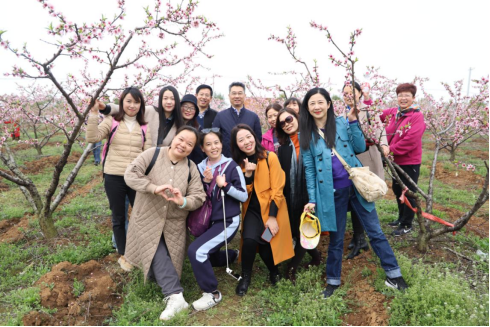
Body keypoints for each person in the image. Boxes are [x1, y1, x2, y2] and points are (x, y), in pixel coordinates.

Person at [300, 88, 408, 299]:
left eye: (320, 102)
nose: (316, 107)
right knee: (337, 238)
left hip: (356, 186)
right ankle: (332, 281)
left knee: (375, 231)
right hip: (331, 193)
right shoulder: (306, 134)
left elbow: (359, 147)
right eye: (312, 103)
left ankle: (394, 275)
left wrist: (352, 122)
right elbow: (310, 170)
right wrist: (312, 199)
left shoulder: (340, 123)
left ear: (329, 104)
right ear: (307, 107)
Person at [124, 126, 206, 321]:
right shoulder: (152, 154)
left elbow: (198, 196)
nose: (183, 145)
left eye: (189, 144)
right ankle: (176, 296)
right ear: (173, 138)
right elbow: (130, 174)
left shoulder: (190, 168)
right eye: (181, 139)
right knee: (155, 251)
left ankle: (169, 289)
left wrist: (182, 201)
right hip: (147, 217)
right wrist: (153, 188)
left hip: (173, 223)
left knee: (158, 263)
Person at [86, 87, 152, 272]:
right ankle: (125, 254)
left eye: (136, 102)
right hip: (114, 175)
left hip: (136, 178)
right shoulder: (112, 121)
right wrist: (93, 114)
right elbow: (92, 137)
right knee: (118, 217)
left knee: (141, 215)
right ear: (122, 102)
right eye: (128, 101)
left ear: (141, 105)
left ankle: (141, 250)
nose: (132, 105)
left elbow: (148, 155)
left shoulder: (145, 126)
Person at [188, 129, 248, 311]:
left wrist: (225, 185)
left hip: (227, 221)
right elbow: (198, 195)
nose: (213, 147)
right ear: (202, 148)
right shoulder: (198, 168)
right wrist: (206, 182)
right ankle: (232, 255)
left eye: (216, 143)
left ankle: (212, 293)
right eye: (208, 144)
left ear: (222, 144)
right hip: (206, 221)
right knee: (208, 256)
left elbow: (243, 196)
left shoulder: (231, 167)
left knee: (196, 251)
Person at [231, 124, 294, 296]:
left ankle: (274, 271)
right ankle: (246, 277)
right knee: (250, 240)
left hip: (271, 210)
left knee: (266, 241)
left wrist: (272, 217)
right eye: (241, 140)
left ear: (254, 137)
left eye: (248, 137)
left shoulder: (269, 157)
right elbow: (243, 192)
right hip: (251, 211)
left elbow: (278, 189)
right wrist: (249, 175)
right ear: (237, 145)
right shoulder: (238, 165)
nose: (246, 142)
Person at [341, 82, 389, 259]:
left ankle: (363, 238)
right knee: (354, 197)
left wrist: (384, 144)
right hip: (350, 161)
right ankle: (358, 236)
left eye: (351, 92)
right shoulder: (341, 113)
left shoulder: (368, 111)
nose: (347, 96)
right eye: (344, 93)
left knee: (365, 196)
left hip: (366, 157)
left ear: (360, 93)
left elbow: (380, 130)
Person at [276, 108, 321, 283]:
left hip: (311, 193)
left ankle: (292, 267)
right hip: (292, 196)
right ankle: (316, 257)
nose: (287, 124)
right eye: (282, 123)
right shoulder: (282, 148)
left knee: (304, 230)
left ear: (297, 118)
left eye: (289, 119)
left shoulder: (313, 139)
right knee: (297, 229)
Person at [380, 83, 426, 237]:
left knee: (409, 192)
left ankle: (407, 224)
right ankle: (401, 218)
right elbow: (374, 114)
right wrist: (366, 99)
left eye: (407, 95)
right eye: (400, 95)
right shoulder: (394, 112)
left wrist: (390, 149)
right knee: (398, 189)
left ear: (413, 98)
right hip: (394, 161)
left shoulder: (416, 116)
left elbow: (411, 140)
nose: (403, 98)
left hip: (409, 161)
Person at [98, 85, 184, 147]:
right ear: (160, 100)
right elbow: (127, 108)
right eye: (165, 98)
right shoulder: (150, 111)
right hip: (140, 157)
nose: (169, 102)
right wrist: (106, 108)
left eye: (172, 99)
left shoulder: (178, 123)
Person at [212, 82, 262, 158]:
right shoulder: (220, 116)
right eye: (234, 93)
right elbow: (214, 138)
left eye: (240, 93)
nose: (237, 96)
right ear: (229, 96)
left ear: (244, 96)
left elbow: (258, 139)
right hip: (227, 160)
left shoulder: (253, 116)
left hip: (249, 160)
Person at [181, 94, 206, 164]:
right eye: (185, 107)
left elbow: (199, 155)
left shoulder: (198, 129)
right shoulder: (172, 125)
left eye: (192, 108)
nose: (188, 110)